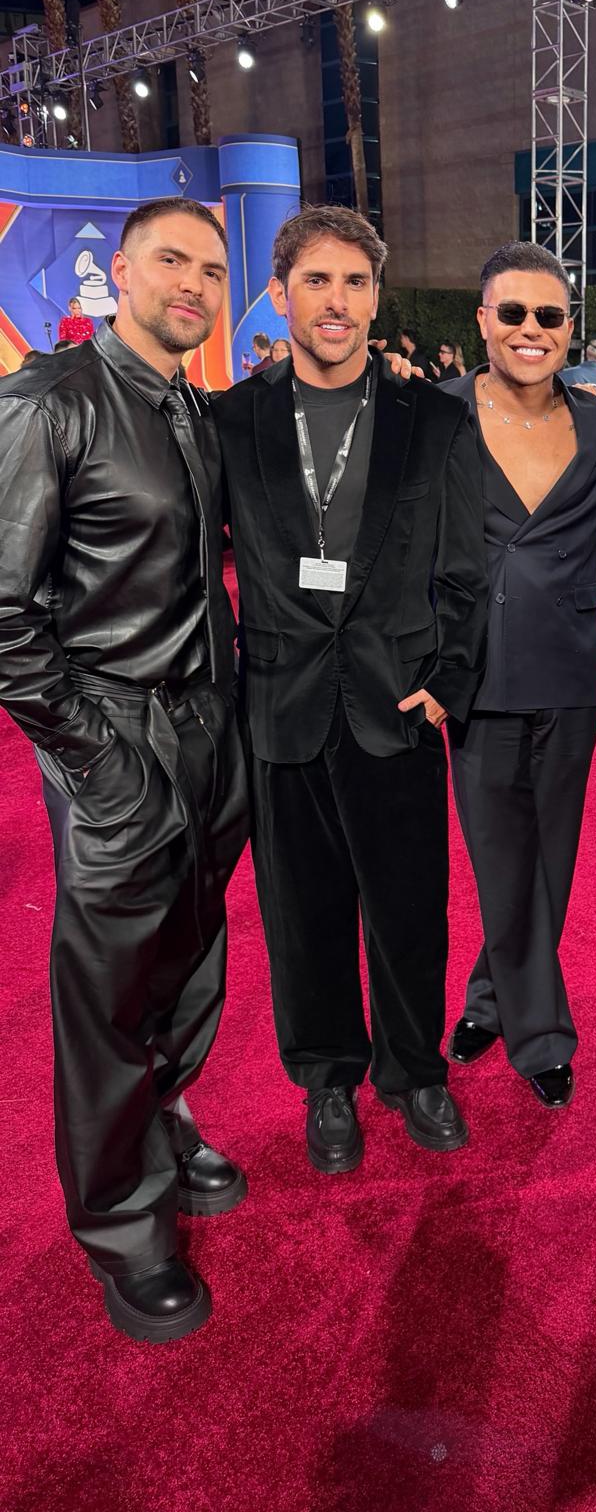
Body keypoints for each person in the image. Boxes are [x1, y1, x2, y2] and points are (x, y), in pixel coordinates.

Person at [0, 196, 249, 1343]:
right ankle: (119, 1221)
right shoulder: (50, 401)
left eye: (210, 268)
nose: (193, 283)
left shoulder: (190, 406)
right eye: (171, 261)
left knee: (187, 954)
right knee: (107, 988)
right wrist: (98, 764)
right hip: (111, 734)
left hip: (208, 729)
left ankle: (162, 1117)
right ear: (124, 275)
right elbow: (6, 616)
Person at [214, 205, 487, 1172]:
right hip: (279, 703)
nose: (336, 301)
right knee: (303, 911)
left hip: (397, 702)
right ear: (280, 293)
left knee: (409, 906)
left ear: (376, 298)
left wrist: (449, 679)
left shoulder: (434, 418)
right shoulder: (230, 421)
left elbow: (468, 567)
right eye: (317, 281)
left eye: (355, 283)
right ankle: (328, 1077)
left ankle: (415, 1072)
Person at [441, 242, 596, 1109]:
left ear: (568, 327)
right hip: (473, 674)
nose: (530, 330)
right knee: (499, 855)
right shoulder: (436, 414)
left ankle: (488, 996)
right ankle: (541, 1033)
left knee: (549, 855)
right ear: (483, 320)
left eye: (548, 316)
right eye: (512, 312)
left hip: (569, 665)